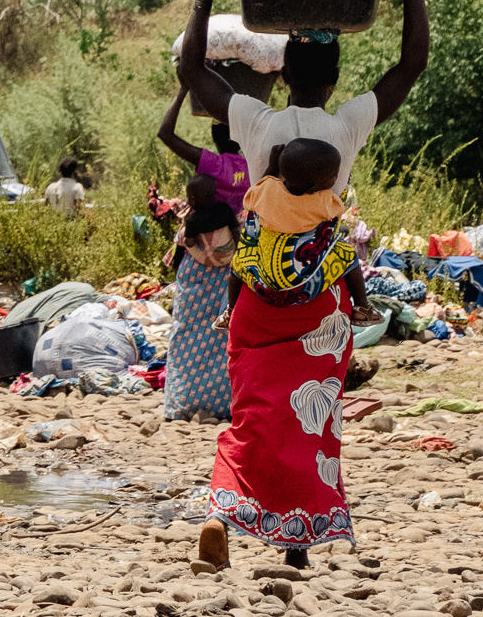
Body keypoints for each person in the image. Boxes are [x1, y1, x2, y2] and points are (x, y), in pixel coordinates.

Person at [195, 133, 368, 573]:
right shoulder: (324, 206)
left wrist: (233, 309)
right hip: (315, 325)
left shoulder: (262, 197)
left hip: (253, 311)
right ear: (325, 183)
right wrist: (359, 302)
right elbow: (342, 253)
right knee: (307, 428)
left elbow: (242, 257)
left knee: (250, 418)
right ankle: (297, 544)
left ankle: (220, 515)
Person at [180, 0, 428, 193]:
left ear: (284, 75)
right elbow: (413, 62)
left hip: (264, 235)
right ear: (334, 78)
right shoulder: (348, 127)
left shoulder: (255, 123)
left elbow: (193, 68)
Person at [214, 138, 378, 331]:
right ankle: (362, 307)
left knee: (239, 260)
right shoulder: (322, 201)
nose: (335, 179)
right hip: (303, 288)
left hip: (262, 285)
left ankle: (230, 312)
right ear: (312, 187)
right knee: (347, 254)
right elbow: (338, 209)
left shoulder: (267, 191)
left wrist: (271, 166)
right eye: (333, 176)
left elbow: (255, 191)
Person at [160, 176, 237, 424]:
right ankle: (223, 404)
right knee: (222, 338)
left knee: (185, 337)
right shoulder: (225, 211)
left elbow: (187, 245)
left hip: (194, 282)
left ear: (191, 198)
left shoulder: (190, 219)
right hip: (224, 277)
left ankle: (181, 403)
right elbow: (237, 233)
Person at [157, 86, 252, 215]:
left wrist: (183, 90)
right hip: (247, 231)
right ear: (241, 138)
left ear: (215, 140)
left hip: (213, 232)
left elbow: (165, 134)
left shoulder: (214, 164)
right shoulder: (252, 166)